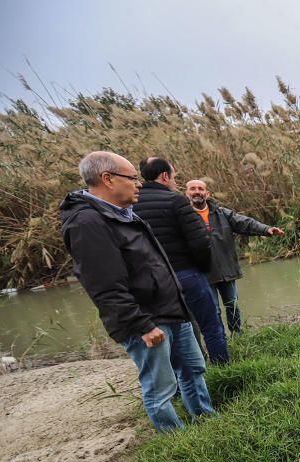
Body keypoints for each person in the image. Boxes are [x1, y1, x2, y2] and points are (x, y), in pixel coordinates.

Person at [60, 151, 214, 432]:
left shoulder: (124, 213)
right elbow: (103, 286)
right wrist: (141, 324)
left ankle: (206, 423)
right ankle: (175, 444)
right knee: (161, 388)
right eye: (132, 178)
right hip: (147, 320)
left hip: (172, 310)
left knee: (193, 370)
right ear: (107, 179)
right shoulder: (88, 223)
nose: (139, 183)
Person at [133, 157, 228, 363]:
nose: (175, 181)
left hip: (153, 280)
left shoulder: (130, 205)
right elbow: (200, 241)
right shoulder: (176, 201)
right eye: (175, 176)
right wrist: (202, 269)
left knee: (174, 329)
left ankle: (187, 373)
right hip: (186, 273)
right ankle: (222, 368)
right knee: (210, 324)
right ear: (165, 176)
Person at [184, 179, 284, 334]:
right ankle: (220, 340)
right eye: (192, 189)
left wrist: (266, 229)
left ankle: (238, 336)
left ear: (207, 193)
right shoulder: (184, 217)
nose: (197, 191)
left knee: (233, 305)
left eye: (200, 188)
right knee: (213, 310)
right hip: (203, 273)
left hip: (226, 270)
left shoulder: (222, 213)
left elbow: (245, 223)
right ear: (186, 193)